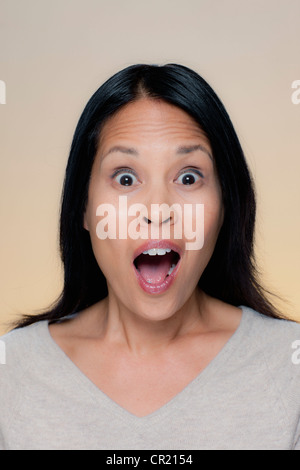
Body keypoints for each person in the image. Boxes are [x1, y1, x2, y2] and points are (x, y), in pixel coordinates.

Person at [0, 64, 299, 450]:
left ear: (226, 205)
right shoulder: (13, 371)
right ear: (84, 209)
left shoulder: (288, 369)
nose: (158, 210)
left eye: (188, 177)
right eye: (125, 178)